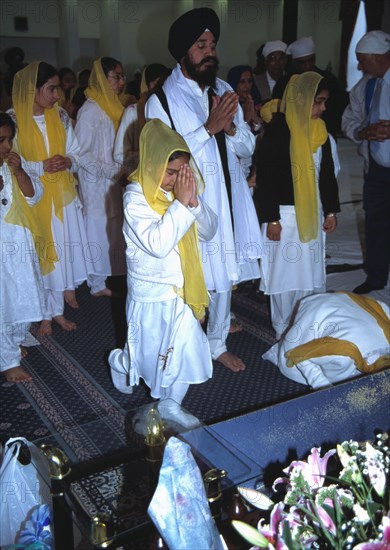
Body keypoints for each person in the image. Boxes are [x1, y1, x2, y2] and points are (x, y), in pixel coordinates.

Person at [146, 7, 262, 373]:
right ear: (183, 52)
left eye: (212, 44)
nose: (209, 52)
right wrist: (209, 128)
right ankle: (184, 340)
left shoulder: (225, 90)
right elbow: (161, 159)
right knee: (188, 274)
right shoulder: (160, 101)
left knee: (225, 273)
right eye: (201, 45)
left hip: (229, 198)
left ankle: (217, 342)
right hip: (188, 203)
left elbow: (247, 148)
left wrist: (231, 130)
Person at [109, 119, 217, 428]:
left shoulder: (181, 191)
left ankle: (171, 405)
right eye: (170, 172)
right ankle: (120, 360)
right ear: (153, 164)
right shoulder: (135, 196)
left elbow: (209, 231)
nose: (176, 179)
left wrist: (193, 202)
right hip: (150, 291)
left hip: (183, 290)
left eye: (181, 172)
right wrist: (182, 204)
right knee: (147, 355)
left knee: (186, 344)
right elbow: (157, 244)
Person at [253, 72, 341, 339]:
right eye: (319, 102)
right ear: (301, 101)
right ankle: (283, 329)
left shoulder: (320, 132)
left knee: (309, 274)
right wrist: (272, 219)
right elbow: (266, 180)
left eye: (325, 102)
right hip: (285, 218)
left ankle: (305, 327)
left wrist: (331, 210)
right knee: (285, 277)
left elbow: (326, 176)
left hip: (311, 215)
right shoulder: (278, 133)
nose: (323, 108)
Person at [9, 61, 89, 336]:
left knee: (61, 255)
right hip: (30, 198)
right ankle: (42, 313)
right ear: (33, 89)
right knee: (40, 255)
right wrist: (39, 167)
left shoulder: (62, 117)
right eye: (52, 89)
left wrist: (67, 160)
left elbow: (78, 155)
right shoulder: (13, 120)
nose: (58, 95)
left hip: (62, 198)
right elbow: (8, 163)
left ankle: (56, 312)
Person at [342, 30, 390, 295]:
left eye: (362, 60)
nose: (359, 66)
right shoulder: (367, 86)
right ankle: (376, 276)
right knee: (375, 223)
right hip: (376, 171)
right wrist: (362, 132)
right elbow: (349, 120)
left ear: (379, 57)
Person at [263, 292, 390, 389]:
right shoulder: (341, 355)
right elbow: (301, 355)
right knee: (291, 364)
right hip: (320, 310)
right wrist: (323, 387)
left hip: (343, 303)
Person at [75, 57, 127, 297]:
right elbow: (80, 153)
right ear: (102, 78)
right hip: (96, 182)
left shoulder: (113, 106)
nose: (122, 81)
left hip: (114, 179)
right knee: (97, 227)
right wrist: (108, 171)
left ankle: (110, 275)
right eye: (116, 76)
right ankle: (96, 282)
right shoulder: (90, 110)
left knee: (114, 226)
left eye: (121, 76)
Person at [0, 112, 45, 382]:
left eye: (9, 140)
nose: (7, 146)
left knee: (22, 294)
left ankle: (13, 342)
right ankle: (8, 360)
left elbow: (33, 196)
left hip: (18, 244)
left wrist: (18, 172)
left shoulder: (12, 164)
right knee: (5, 300)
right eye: (1, 140)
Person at [273, 36, 348, 138]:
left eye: (310, 60)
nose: (307, 66)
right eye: (303, 62)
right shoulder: (285, 83)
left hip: (325, 133)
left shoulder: (329, 80)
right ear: (294, 62)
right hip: (293, 135)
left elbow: (338, 109)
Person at [114, 63, 171, 179]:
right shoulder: (133, 111)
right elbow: (119, 154)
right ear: (146, 85)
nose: (161, 87)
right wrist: (151, 156)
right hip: (141, 176)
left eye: (165, 83)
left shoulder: (172, 110)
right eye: (156, 83)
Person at [227, 65, 262, 134]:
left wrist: (256, 119)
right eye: (242, 82)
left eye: (249, 81)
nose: (247, 86)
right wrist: (246, 120)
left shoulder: (257, 103)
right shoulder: (228, 108)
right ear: (234, 83)